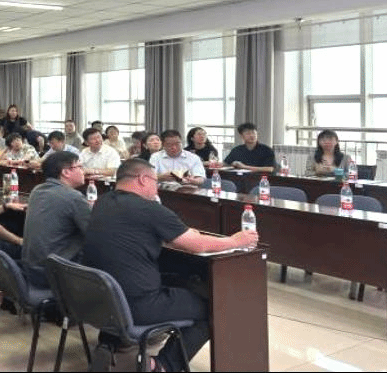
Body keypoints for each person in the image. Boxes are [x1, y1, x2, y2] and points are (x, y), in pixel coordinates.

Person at [83, 158, 258, 371]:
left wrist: (181, 234)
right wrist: (236, 241)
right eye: (155, 182)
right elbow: (198, 245)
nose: (157, 188)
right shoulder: (149, 209)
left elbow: (141, 233)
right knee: (214, 307)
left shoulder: (102, 202)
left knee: (180, 280)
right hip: (138, 305)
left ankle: (110, 344)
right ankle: (163, 365)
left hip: (102, 301)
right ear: (142, 179)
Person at [22, 151, 90, 288]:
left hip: (31, 270)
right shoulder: (73, 197)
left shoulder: (37, 190)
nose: (84, 171)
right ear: (66, 172)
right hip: (54, 275)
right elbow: (94, 232)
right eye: (80, 167)